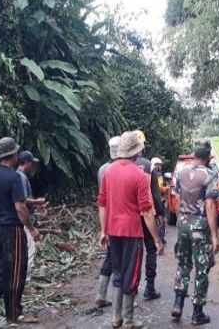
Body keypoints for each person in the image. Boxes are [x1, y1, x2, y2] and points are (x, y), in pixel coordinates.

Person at [97, 131, 164, 329]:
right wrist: (157, 239)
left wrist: (104, 230)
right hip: (132, 233)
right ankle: (128, 320)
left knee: (117, 271)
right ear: (138, 152)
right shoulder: (139, 175)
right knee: (131, 274)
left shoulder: (108, 171)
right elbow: (146, 211)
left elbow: (102, 204)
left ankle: (115, 318)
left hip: (113, 231)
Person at [0, 137, 41, 326]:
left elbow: (9, 199)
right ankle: (14, 314)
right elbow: (19, 207)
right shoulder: (13, 177)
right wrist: (31, 229)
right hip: (12, 230)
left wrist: (32, 202)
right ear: (13, 155)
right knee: (17, 271)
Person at [171, 138, 219, 325]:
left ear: (194, 155)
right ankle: (197, 312)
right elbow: (209, 206)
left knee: (183, 264)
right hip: (199, 225)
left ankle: (177, 304)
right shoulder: (209, 175)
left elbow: (176, 201)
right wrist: (215, 236)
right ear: (208, 157)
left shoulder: (181, 172)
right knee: (202, 268)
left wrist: (180, 221)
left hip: (183, 223)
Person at [134, 131, 165, 301]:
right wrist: (160, 214)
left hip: (132, 216)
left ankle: (132, 286)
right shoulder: (149, 166)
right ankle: (150, 287)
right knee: (151, 248)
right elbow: (155, 194)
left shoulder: (124, 165)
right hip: (147, 213)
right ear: (142, 146)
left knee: (133, 250)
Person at [94, 136, 121, 308]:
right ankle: (121, 305)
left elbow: (101, 199)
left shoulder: (102, 169)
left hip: (107, 217)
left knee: (110, 257)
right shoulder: (119, 170)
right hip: (119, 219)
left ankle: (101, 294)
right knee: (121, 260)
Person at [16, 150, 48, 283]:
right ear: (27, 162)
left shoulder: (17, 176)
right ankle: (25, 282)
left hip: (21, 219)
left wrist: (35, 206)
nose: (32, 166)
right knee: (30, 251)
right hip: (24, 221)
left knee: (23, 251)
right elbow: (21, 201)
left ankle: (20, 280)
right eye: (31, 163)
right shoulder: (21, 177)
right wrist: (36, 202)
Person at [151, 157, 167, 245]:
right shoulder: (158, 174)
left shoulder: (149, 173)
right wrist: (166, 188)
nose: (160, 166)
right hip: (159, 200)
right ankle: (161, 238)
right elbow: (160, 188)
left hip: (151, 200)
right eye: (159, 165)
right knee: (161, 219)